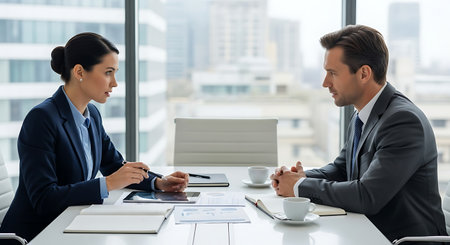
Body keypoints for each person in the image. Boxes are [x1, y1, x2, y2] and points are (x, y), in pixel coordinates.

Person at [0, 32, 189, 242]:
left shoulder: (92, 114)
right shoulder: (42, 119)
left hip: (71, 226)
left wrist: (159, 183)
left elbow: (115, 165)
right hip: (36, 236)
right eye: (108, 73)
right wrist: (106, 184)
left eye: (115, 73)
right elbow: (44, 199)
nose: (115, 83)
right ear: (79, 71)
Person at [270, 25, 447, 243]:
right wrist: (300, 177)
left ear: (364, 73)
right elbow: (342, 169)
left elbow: (367, 196)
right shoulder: (363, 114)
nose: (325, 83)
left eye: (333, 73)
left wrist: (298, 187)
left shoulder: (403, 122)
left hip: (401, 241)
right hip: (368, 233)